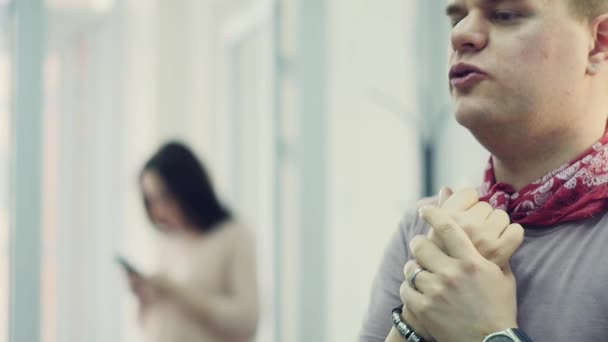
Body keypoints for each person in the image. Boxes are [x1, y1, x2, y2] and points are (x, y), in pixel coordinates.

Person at [359, 0, 608, 341]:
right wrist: (415, 323)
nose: (461, 34)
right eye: (457, 19)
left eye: (504, 15)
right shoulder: (423, 229)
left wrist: (490, 334)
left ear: (598, 43)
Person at [125, 141, 258, 342]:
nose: (158, 211)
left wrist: (177, 292)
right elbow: (153, 325)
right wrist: (147, 298)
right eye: (150, 200)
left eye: (164, 197)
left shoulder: (233, 236)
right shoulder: (168, 240)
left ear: (188, 189)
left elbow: (248, 322)